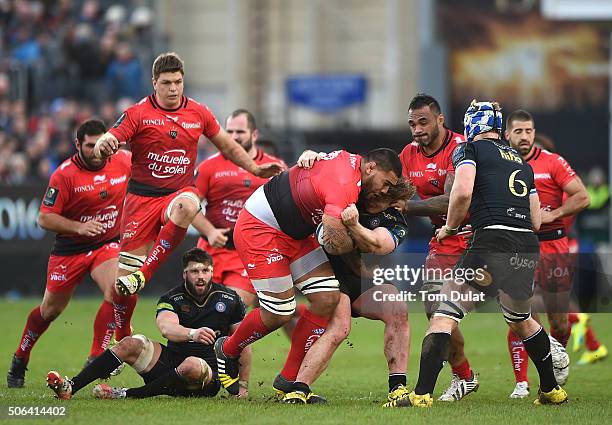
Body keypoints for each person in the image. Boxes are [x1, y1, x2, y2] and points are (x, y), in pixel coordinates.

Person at [92, 52, 283, 343]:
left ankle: (146, 272)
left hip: (176, 194)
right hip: (141, 200)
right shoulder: (138, 113)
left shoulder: (199, 113)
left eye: (178, 82)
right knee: (121, 288)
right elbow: (113, 136)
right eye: (166, 82)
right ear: (154, 82)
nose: (173, 89)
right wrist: (106, 142)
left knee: (189, 203)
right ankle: (123, 335)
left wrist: (255, 168)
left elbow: (229, 146)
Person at [387, 100, 567, 408]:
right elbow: (536, 219)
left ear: (472, 125)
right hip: (526, 245)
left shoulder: (468, 150)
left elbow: (462, 191)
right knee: (522, 319)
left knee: (443, 315)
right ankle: (551, 390)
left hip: (490, 243)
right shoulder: (522, 162)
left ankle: (420, 396)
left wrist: (451, 227)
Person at [213, 148, 402, 398]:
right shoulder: (345, 183)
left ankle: (289, 379)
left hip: (295, 233)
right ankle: (227, 349)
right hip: (260, 227)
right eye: (386, 183)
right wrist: (345, 238)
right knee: (280, 313)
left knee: (327, 297)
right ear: (370, 168)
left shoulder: (352, 166)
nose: (385, 191)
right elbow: (335, 239)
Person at [272, 165, 415, 404]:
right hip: (328, 271)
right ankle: (299, 389)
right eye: (375, 192)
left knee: (397, 307)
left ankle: (398, 388)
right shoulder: (350, 192)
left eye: (382, 198)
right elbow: (327, 236)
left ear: (394, 203)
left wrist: (354, 226)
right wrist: (310, 156)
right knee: (341, 327)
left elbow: (378, 245)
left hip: (361, 277)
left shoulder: (395, 222)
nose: (373, 198)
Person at [7, 119, 131, 388]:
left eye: (101, 144)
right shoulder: (64, 175)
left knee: (116, 289)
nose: (97, 150)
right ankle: (21, 356)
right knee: (50, 310)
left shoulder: (122, 160)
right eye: (90, 145)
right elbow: (44, 218)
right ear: (78, 145)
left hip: (106, 243)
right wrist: (79, 227)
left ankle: (96, 356)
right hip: (70, 249)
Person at [46, 248, 250, 400]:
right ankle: (70, 386)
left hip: (206, 376)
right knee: (130, 343)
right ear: (184, 274)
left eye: (205, 271)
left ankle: (125, 394)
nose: (200, 277)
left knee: (192, 364)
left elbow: (244, 343)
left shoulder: (229, 298)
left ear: (211, 272)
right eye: (194, 271)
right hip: (170, 364)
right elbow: (166, 328)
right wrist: (192, 333)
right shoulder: (172, 298)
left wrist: (242, 387)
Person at [504, 110, 590, 398]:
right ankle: (521, 382)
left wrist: (555, 213)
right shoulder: (501, 164)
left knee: (560, 320)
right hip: (518, 246)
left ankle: (556, 359)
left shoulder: (552, 162)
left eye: (529, 131)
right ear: (507, 134)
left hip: (554, 246)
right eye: (518, 131)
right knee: (520, 313)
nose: (525, 136)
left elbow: (583, 196)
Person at [399, 93, 478, 401]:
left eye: (423, 122)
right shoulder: (408, 154)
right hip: (443, 238)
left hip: (474, 235)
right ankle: (464, 376)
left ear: (440, 120)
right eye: (411, 124)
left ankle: (547, 353)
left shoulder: (461, 149)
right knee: (436, 312)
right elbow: (395, 191)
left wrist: (404, 206)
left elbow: (450, 200)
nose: (417, 129)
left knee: (516, 308)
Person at [193, 109, 286, 307]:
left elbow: (286, 210)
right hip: (211, 251)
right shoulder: (209, 166)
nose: (234, 137)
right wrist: (209, 231)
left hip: (248, 253)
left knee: (230, 310)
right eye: (229, 132)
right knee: (199, 315)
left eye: (240, 132)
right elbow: (187, 206)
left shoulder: (275, 167)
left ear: (254, 134)